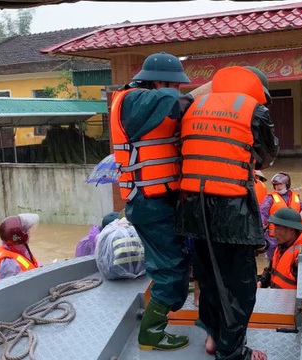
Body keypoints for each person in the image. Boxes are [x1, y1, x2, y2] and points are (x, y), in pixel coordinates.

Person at [177, 65, 279, 360]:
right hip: (230, 208)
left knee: (208, 276)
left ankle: (212, 336)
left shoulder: (196, 105)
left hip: (193, 206)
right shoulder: (253, 110)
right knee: (241, 283)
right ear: (256, 89)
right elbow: (267, 155)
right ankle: (232, 351)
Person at [110, 51, 192, 351]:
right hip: (149, 202)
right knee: (170, 268)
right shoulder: (133, 100)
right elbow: (171, 101)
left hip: (157, 200)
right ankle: (151, 333)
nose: (178, 91)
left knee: (174, 262)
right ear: (157, 82)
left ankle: (159, 319)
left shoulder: (145, 102)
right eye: (174, 85)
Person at [257, 208, 302, 290]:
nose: (274, 234)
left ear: (291, 229)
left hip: (292, 302)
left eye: (277, 229)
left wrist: (300, 267)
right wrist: (261, 282)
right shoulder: (282, 246)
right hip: (278, 299)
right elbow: (271, 270)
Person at [259, 172, 302, 261]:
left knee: (290, 260)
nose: (278, 187)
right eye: (275, 185)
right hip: (273, 237)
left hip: (292, 236)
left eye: (280, 184)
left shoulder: (296, 197)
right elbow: (262, 214)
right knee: (273, 262)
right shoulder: (270, 198)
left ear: (287, 184)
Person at [0, 213, 40, 282]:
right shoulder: (9, 264)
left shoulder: (19, 248)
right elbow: (14, 289)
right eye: (26, 231)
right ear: (20, 237)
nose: (29, 234)